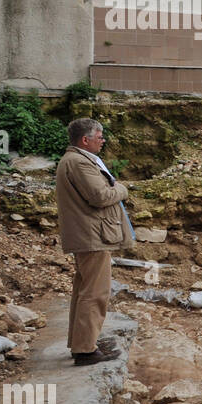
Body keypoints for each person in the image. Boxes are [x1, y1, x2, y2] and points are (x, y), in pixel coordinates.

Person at [55, 118, 134, 365]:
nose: (103, 140)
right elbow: (100, 196)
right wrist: (122, 189)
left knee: (85, 291)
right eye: (99, 137)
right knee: (95, 293)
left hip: (89, 235)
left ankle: (82, 344)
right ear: (85, 140)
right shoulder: (79, 162)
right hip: (92, 236)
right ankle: (86, 350)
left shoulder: (75, 160)